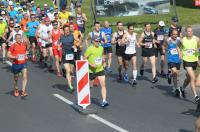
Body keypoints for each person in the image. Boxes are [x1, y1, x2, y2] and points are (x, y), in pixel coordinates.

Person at [84, 36, 109, 108]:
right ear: (92, 41)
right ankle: (85, 96)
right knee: (90, 86)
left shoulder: (101, 48)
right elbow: (84, 58)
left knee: (103, 84)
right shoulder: (89, 49)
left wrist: (104, 61)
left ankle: (104, 101)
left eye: (99, 41)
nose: (98, 42)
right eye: (96, 41)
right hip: (91, 70)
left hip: (100, 69)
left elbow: (102, 56)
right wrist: (91, 64)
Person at [179, 26, 200, 102]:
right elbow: (178, 46)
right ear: (186, 32)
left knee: (188, 78)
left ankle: (182, 88)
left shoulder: (197, 39)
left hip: (194, 60)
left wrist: (197, 54)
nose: (190, 32)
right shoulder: (183, 40)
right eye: (188, 31)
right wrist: (180, 53)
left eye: (191, 31)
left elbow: (198, 48)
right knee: (193, 77)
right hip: (186, 61)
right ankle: (195, 96)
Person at [163, 30, 182, 96]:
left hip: (178, 60)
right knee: (175, 72)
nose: (175, 36)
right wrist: (166, 50)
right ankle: (176, 88)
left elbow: (182, 47)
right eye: (174, 34)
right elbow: (164, 46)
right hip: (171, 59)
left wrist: (180, 53)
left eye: (176, 34)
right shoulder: (168, 40)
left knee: (177, 75)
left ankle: (170, 76)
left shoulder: (179, 40)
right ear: (171, 34)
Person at [60, 25, 75, 92]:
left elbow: (75, 43)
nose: (67, 31)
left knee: (71, 71)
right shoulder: (61, 37)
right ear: (63, 31)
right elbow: (58, 43)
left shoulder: (72, 36)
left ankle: (66, 75)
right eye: (66, 30)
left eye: (68, 30)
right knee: (68, 70)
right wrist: (58, 46)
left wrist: (75, 46)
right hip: (65, 55)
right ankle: (70, 86)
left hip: (71, 55)